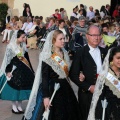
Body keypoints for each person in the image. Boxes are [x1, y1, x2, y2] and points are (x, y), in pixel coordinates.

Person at [23, 30, 81, 120]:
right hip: (52, 88)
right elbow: (45, 77)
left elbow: (68, 72)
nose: (63, 41)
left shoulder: (65, 53)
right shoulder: (47, 56)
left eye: (64, 38)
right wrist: (46, 97)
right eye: (60, 39)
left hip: (65, 87)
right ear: (53, 41)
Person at [69, 25, 107, 120]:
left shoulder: (105, 52)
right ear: (87, 36)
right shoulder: (80, 52)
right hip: (87, 96)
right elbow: (73, 74)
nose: (96, 37)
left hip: (104, 94)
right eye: (93, 35)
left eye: (98, 35)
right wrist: (89, 87)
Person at [0, 30, 34, 114]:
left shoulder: (23, 46)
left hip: (23, 69)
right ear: (17, 37)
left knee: (22, 88)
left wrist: (31, 70)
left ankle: (19, 104)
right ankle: (14, 106)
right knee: (15, 88)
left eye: (24, 37)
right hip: (14, 69)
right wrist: (8, 71)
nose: (24, 39)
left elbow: (27, 58)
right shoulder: (10, 46)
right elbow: (7, 60)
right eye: (22, 37)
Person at [88, 47, 120, 120]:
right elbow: (99, 95)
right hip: (109, 110)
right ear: (112, 58)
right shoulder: (105, 74)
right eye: (118, 58)